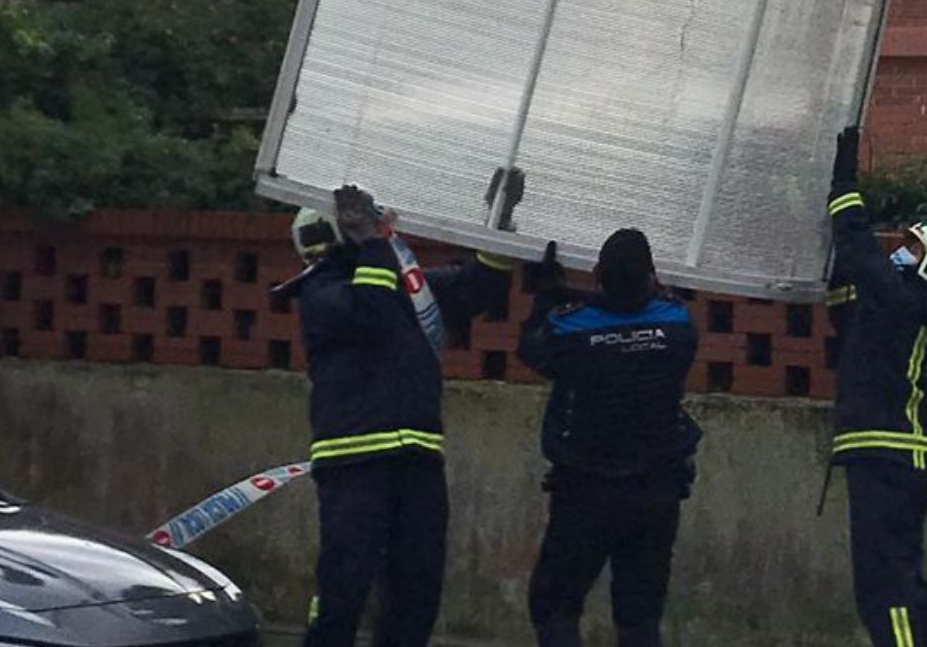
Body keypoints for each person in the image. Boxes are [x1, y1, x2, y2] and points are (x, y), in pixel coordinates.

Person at [281, 179, 519, 647]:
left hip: (417, 459)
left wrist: (501, 223)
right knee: (343, 593)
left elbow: (481, 287)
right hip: (354, 462)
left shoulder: (407, 287)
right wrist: (373, 244)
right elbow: (370, 310)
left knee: (417, 591)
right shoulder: (320, 293)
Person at [825, 127, 927, 647]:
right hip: (898, 459)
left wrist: (843, 179)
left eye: (912, 250)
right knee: (907, 585)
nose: (899, 254)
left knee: (884, 592)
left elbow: (854, 239)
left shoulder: (902, 301)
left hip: (886, 458)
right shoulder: (905, 309)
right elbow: (847, 302)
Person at [516, 229, 701, 647]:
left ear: (598, 274)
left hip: (585, 492)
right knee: (639, 618)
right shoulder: (676, 328)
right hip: (656, 492)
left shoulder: (569, 331)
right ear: (651, 276)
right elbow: (664, 306)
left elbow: (531, 349)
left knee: (556, 607)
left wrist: (548, 294)